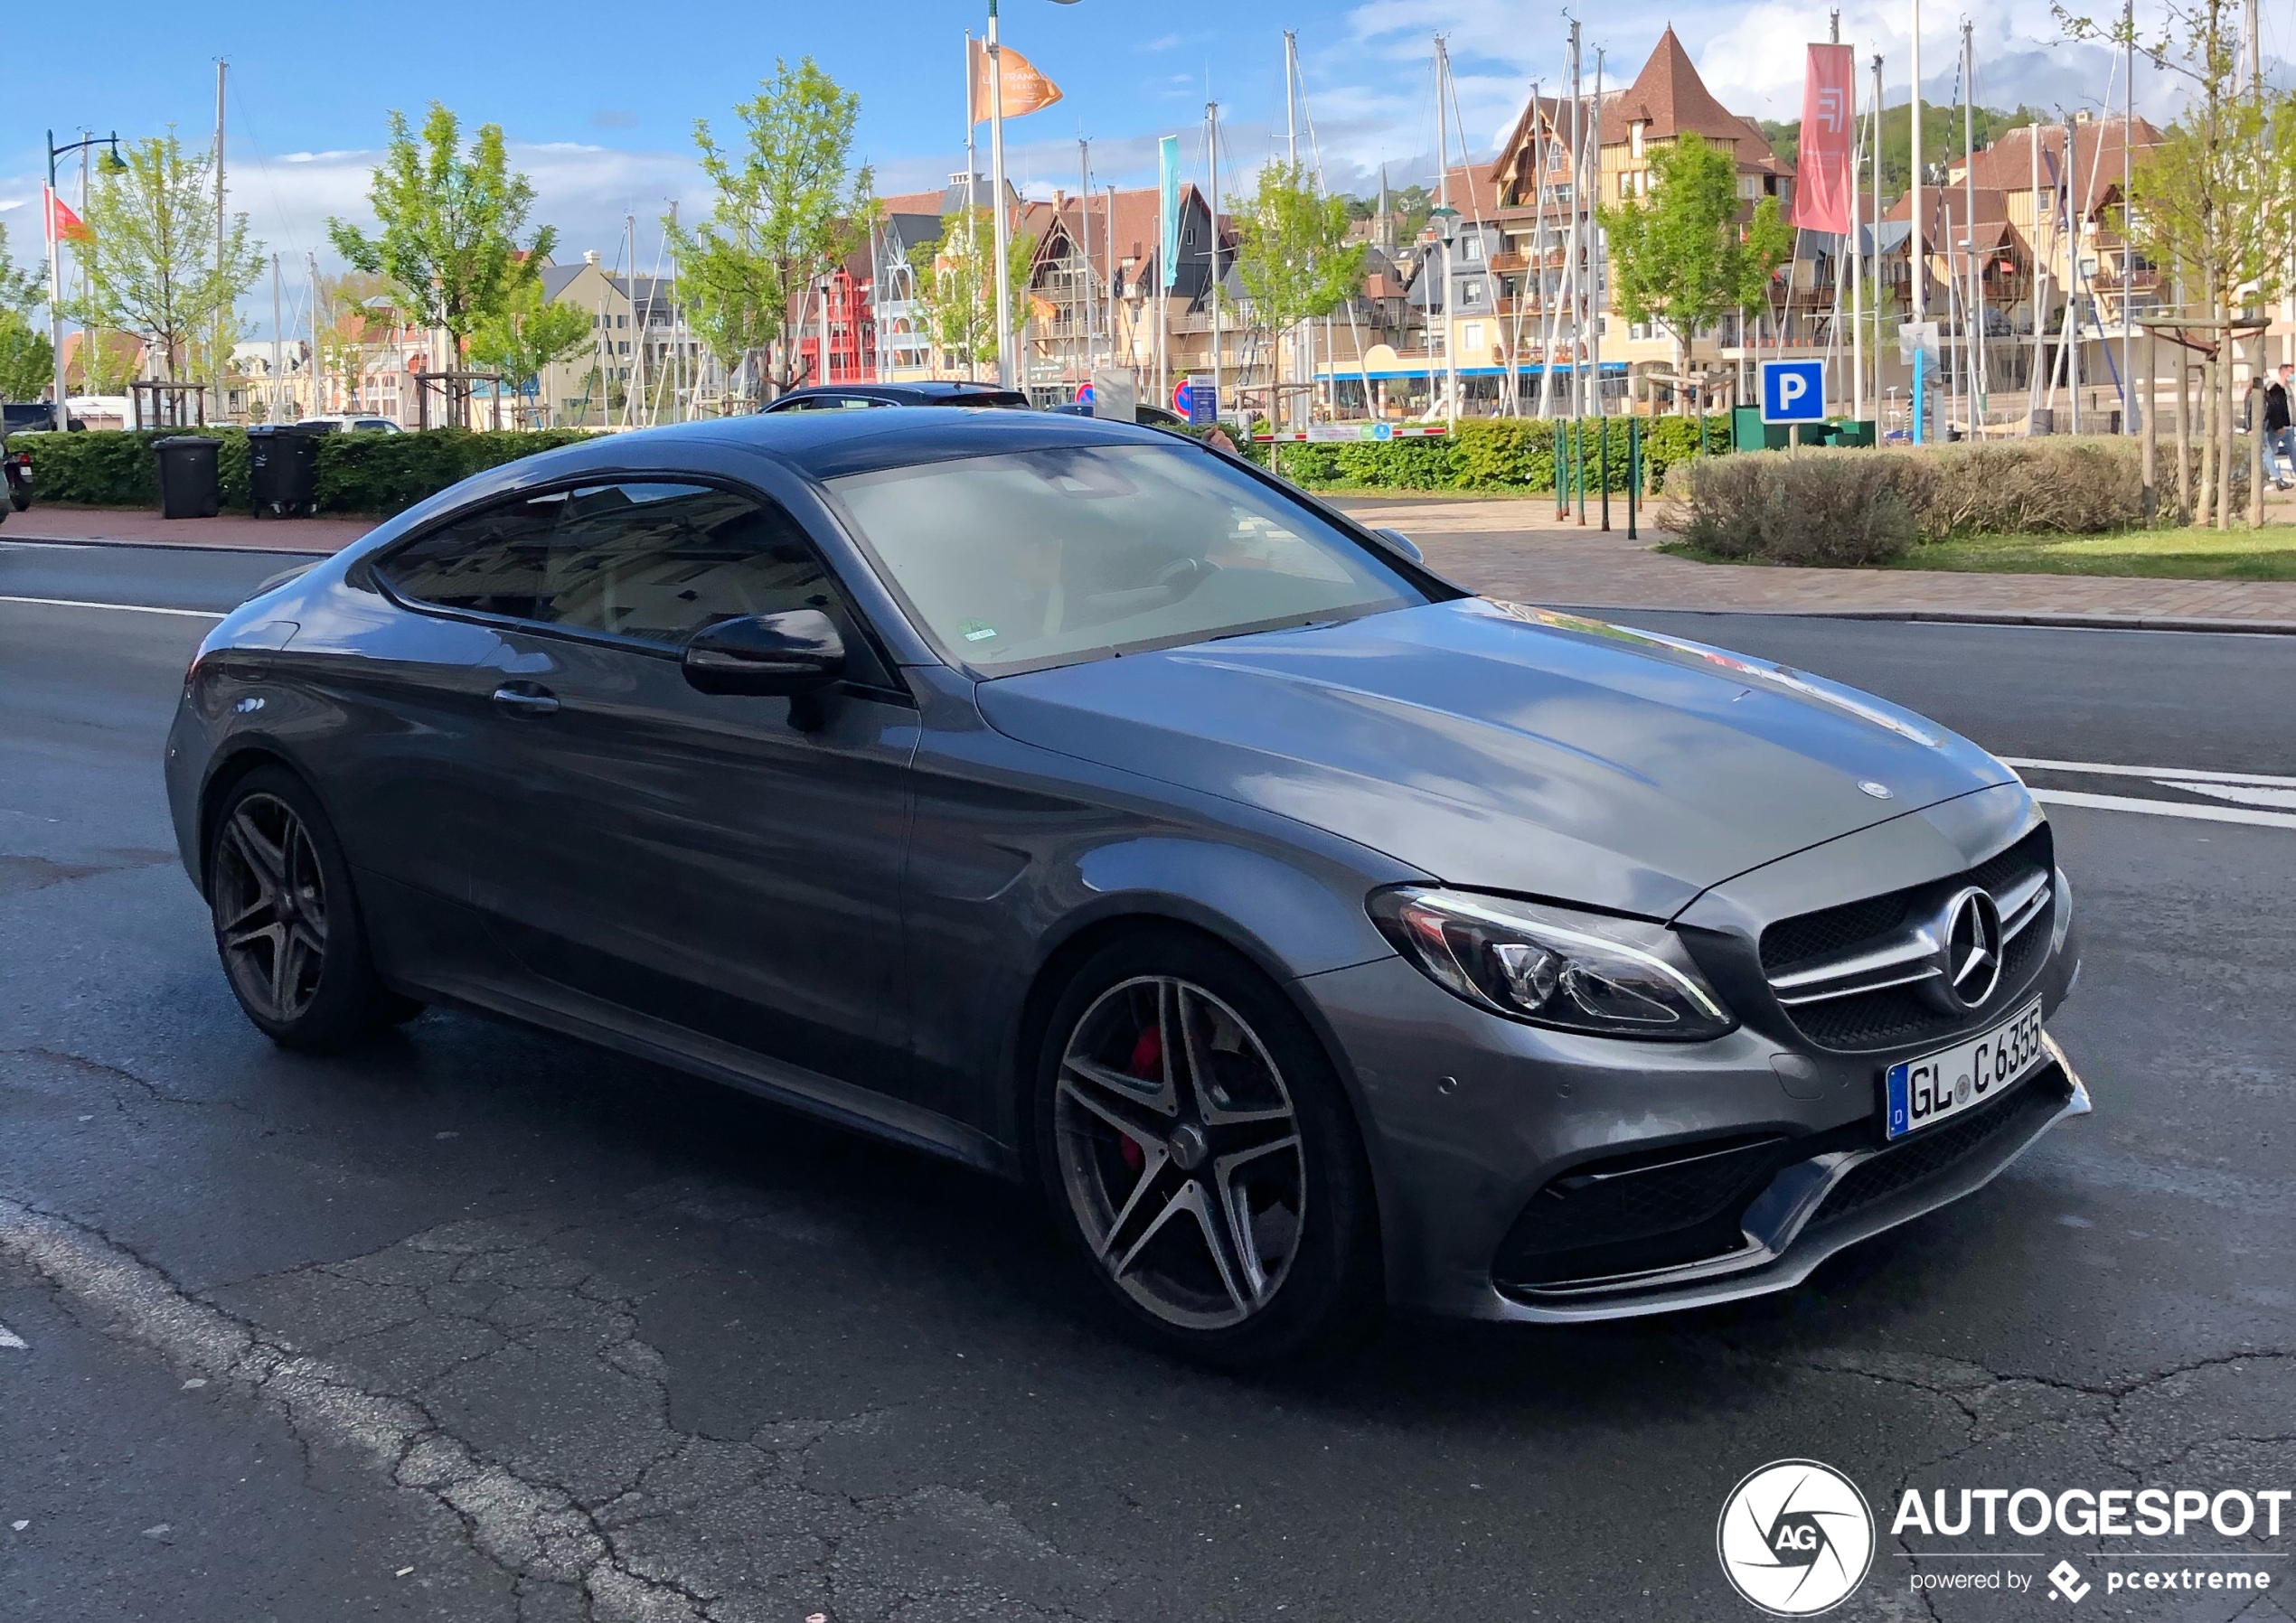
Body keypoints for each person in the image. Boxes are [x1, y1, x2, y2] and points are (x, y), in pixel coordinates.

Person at [2268, 362, 2295, 493]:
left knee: (2293, 453)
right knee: (2269, 454)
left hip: (2289, 428)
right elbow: (2276, 408)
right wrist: (2278, 425)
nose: (2293, 375)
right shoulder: (2276, 389)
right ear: (2284, 373)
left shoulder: (2288, 388)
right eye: (2291, 373)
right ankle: (2276, 478)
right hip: (2279, 428)